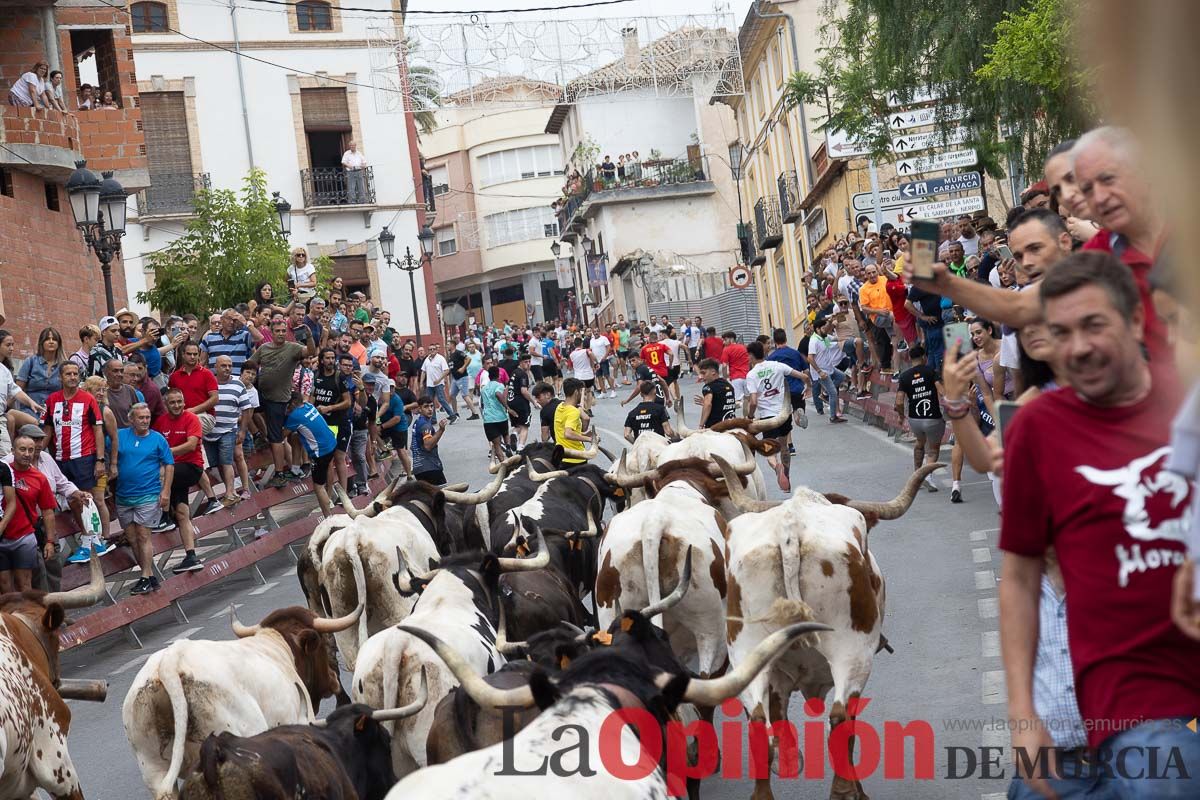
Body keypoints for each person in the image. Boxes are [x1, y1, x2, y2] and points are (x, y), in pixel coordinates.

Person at [999, 251, 1200, 799]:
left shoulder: (1187, 396)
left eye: (1094, 325)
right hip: (1133, 699)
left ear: (1135, 321)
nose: (1078, 348)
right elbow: (1018, 577)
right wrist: (1023, 712)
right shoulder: (1037, 428)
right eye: (1059, 333)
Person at [41, 362, 111, 539]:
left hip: (83, 457)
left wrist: (100, 460)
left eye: (75, 374)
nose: (73, 377)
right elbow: (47, 431)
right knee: (72, 500)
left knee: (85, 498)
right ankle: (88, 538)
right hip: (59, 458)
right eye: (68, 374)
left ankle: (95, 539)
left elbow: (98, 430)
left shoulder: (88, 399)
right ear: (60, 377)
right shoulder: (52, 400)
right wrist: (37, 453)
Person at [246, 315, 314, 488]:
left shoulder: (293, 348)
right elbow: (250, 365)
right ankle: (259, 435)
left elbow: (310, 352)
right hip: (262, 393)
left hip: (279, 400)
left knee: (277, 438)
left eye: (284, 331)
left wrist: (310, 337)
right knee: (246, 406)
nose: (281, 334)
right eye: (278, 331)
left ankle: (279, 473)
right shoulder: (264, 348)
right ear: (271, 332)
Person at [116, 404, 174, 595]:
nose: (145, 421)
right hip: (123, 495)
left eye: (147, 417)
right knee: (132, 538)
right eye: (141, 417)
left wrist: (165, 491)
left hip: (148, 494)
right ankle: (149, 576)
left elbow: (169, 464)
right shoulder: (120, 435)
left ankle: (144, 577)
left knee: (143, 535)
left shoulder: (157, 438)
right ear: (131, 419)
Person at [152, 389, 206, 573]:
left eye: (179, 402)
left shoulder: (191, 419)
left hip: (190, 468)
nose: (177, 405)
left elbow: (191, 445)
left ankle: (164, 516)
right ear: (166, 404)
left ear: (184, 402)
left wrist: (167, 453)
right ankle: (191, 556)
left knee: (161, 473)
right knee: (183, 513)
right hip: (173, 472)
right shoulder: (161, 422)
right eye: (173, 402)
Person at [0, 432, 58, 593]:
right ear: (13, 450)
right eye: (22, 449)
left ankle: (26, 618)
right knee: (4, 586)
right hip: (2, 537)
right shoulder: (3, 471)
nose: (27, 454)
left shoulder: (39, 478)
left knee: (25, 584)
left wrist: (50, 541)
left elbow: (48, 512)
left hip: (24, 536)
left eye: (31, 450)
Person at [746, 341, 805, 492]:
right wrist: (809, 387)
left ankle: (777, 467)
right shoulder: (777, 365)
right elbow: (803, 376)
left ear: (751, 355)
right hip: (783, 413)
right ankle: (787, 476)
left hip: (767, 419)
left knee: (769, 451)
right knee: (784, 446)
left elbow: (753, 401)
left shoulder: (751, 375)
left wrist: (750, 415)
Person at [894, 345, 944, 492]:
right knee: (933, 450)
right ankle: (926, 477)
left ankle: (916, 475)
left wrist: (901, 416)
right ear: (924, 357)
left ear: (910, 358)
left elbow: (898, 401)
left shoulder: (904, 376)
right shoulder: (931, 371)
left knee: (920, 443)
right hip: (933, 418)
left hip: (914, 420)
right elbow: (941, 391)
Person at [205, 355, 252, 507]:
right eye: (223, 365)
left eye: (229, 365)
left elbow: (246, 409)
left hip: (228, 430)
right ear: (216, 367)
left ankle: (230, 493)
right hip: (209, 432)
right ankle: (224, 492)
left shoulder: (238, 384)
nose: (227, 368)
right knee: (214, 464)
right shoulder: (208, 382)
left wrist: (243, 431)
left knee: (226, 461)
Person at [282, 393, 338, 517]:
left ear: (292, 404)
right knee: (296, 436)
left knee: (318, 486)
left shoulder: (295, 415)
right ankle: (296, 469)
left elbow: (281, 436)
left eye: (287, 406)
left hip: (321, 452)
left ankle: (328, 517)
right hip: (331, 443)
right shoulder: (308, 405)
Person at [312, 347, 354, 494]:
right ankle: (329, 494)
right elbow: (312, 397)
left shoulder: (340, 377)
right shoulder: (315, 375)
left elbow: (347, 402)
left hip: (339, 423)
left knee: (339, 457)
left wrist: (329, 408)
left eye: (332, 358)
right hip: (322, 424)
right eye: (327, 358)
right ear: (321, 360)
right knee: (327, 460)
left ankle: (343, 494)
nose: (330, 361)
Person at [767, 329, 811, 433]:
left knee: (784, 417)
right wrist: (807, 385)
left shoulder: (772, 357)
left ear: (774, 341)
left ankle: (787, 434)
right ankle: (798, 415)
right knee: (797, 409)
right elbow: (806, 370)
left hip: (781, 391)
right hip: (797, 388)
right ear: (786, 339)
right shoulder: (796, 353)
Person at [807, 315, 848, 424]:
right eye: (824, 328)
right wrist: (819, 371)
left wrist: (846, 337)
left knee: (842, 376)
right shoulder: (814, 341)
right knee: (834, 393)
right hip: (821, 372)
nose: (826, 330)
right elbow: (810, 358)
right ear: (818, 329)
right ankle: (833, 417)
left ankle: (825, 393)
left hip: (830, 368)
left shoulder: (824, 337)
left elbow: (834, 339)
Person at [15, 327, 65, 413]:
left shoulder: (63, 366)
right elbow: (17, 390)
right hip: (30, 410)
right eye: (47, 339)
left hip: (54, 412)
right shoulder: (30, 362)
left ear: (59, 343)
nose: (51, 342)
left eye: (54, 339)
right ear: (42, 343)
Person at [379, 374, 417, 479]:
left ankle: (409, 473)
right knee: (373, 434)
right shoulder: (380, 397)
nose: (390, 390)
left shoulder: (397, 400)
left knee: (401, 450)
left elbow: (397, 419)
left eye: (392, 387)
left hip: (399, 427)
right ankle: (384, 449)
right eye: (388, 387)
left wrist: (381, 427)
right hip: (386, 424)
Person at [200, 309, 258, 375]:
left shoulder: (244, 335)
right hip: (215, 380)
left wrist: (245, 323)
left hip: (237, 380)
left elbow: (259, 338)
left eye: (234, 320)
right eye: (229, 319)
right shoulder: (209, 337)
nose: (231, 322)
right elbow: (202, 362)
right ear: (221, 319)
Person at [554, 378, 594, 465]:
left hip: (562, 456)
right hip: (576, 458)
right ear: (576, 392)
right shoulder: (573, 411)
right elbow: (568, 434)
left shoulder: (560, 407)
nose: (583, 396)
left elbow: (563, 431)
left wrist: (583, 434)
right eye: (581, 392)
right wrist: (590, 439)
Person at [410, 394, 448, 485]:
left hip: (418, 470)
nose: (430, 409)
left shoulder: (417, 423)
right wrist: (441, 430)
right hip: (430, 468)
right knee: (442, 495)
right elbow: (428, 445)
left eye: (431, 406)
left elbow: (412, 446)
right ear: (419, 409)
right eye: (426, 407)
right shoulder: (425, 425)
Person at [420, 343, 457, 421]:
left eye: (434, 349)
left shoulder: (441, 358)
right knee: (430, 402)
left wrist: (439, 379)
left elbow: (446, 371)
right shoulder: (427, 359)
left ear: (436, 350)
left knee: (441, 399)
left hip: (439, 384)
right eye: (430, 349)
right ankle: (433, 419)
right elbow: (423, 371)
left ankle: (452, 415)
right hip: (429, 384)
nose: (432, 350)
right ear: (428, 351)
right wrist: (421, 382)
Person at [696, 358, 736, 429]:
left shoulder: (708, 387)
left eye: (704, 373)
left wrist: (701, 425)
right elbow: (723, 404)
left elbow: (708, 405)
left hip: (716, 427)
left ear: (713, 372)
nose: (701, 377)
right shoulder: (728, 385)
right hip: (731, 424)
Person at [507, 352, 535, 450]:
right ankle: (520, 448)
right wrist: (534, 402)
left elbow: (508, 387)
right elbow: (524, 391)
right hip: (521, 403)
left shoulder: (514, 372)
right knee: (525, 426)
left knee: (518, 425)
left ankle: (514, 434)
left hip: (511, 401)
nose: (528, 364)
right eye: (525, 362)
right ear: (520, 363)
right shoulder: (522, 374)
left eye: (529, 361)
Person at [719, 331, 750, 410]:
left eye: (725, 340)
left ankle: (735, 408)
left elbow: (724, 365)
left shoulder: (726, 349)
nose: (723, 342)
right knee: (748, 399)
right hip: (747, 376)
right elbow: (750, 361)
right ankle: (748, 418)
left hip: (736, 377)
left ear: (731, 339)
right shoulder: (744, 347)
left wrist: (725, 377)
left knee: (737, 400)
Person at [567, 338, 598, 410]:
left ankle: (583, 407)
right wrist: (596, 362)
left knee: (581, 393)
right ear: (582, 344)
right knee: (589, 391)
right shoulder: (586, 351)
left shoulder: (571, 354)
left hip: (578, 377)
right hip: (589, 375)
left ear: (574, 345)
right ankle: (589, 408)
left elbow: (570, 367)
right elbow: (591, 354)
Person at [589, 327, 614, 399]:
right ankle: (603, 392)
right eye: (594, 331)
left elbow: (608, 347)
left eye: (597, 331)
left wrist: (605, 356)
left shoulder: (604, 338)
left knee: (607, 375)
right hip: (596, 362)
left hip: (603, 360)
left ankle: (613, 391)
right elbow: (591, 350)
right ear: (593, 333)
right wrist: (593, 362)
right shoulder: (591, 340)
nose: (596, 333)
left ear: (599, 332)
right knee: (599, 377)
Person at [341, 140, 368, 204]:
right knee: (351, 187)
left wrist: (362, 166)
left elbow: (364, 162)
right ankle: (352, 201)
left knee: (361, 186)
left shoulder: (359, 153)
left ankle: (362, 201)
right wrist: (348, 165)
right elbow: (343, 161)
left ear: (355, 146)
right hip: (351, 172)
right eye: (351, 145)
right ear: (349, 146)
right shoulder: (347, 153)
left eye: (353, 145)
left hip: (359, 171)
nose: (352, 147)